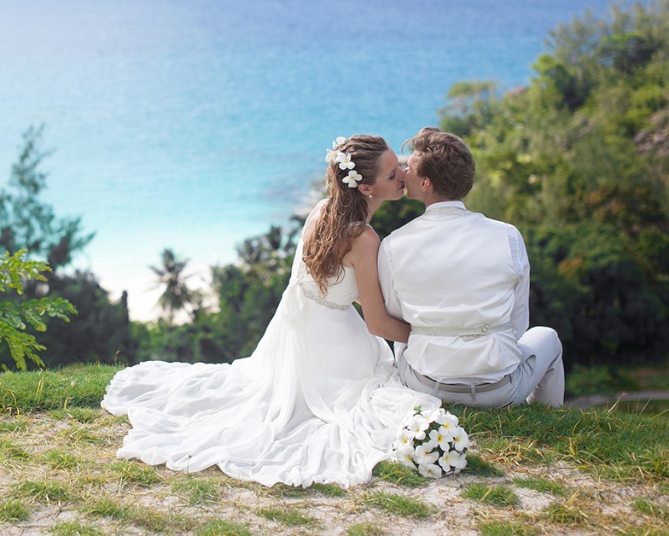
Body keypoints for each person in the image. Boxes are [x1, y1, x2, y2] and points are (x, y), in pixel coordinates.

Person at [102, 135, 440, 488]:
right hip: (334, 348)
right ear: (366, 187)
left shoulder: (322, 211)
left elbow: (331, 285)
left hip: (295, 330)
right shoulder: (365, 239)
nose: (403, 174)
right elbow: (377, 323)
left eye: (400, 166)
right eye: (392, 174)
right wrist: (429, 335)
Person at [378, 127, 565, 407]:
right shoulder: (508, 235)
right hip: (498, 391)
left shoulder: (393, 244)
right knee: (548, 337)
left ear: (426, 183)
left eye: (410, 168)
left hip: (426, 387)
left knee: (404, 340)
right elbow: (517, 323)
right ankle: (546, 418)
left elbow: (397, 318)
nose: (404, 173)